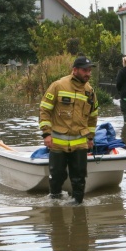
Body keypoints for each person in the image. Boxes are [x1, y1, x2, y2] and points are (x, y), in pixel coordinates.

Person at [39, 56, 98, 204]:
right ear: (75, 70)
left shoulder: (90, 91)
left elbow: (93, 116)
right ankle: (55, 204)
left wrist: (90, 138)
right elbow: (44, 110)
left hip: (80, 143)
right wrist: (46, 134)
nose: (88, 73)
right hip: (57, 142)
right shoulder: (58, 86)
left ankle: (78, 205)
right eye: (85, 70)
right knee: (57, 176)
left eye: (90, 70)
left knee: (79, 177)